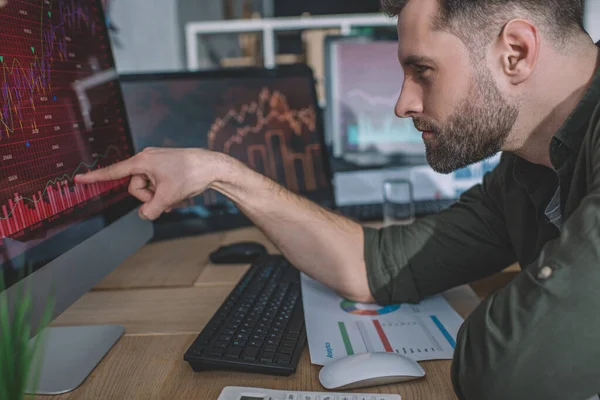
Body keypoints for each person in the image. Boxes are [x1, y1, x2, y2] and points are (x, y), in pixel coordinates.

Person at [76, 0, 600, 398]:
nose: (403, 103)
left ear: (516, 52)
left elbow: (505, 371)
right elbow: (379, 267)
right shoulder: (528, 170)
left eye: (422, 71)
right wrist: (219, 172)